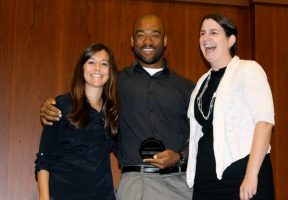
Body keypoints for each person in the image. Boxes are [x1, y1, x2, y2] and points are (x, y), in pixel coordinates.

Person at [39, 14, 194, 200]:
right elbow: (82, 96)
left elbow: (201, 136)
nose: (147, 41)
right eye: (140, 35)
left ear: (165, 40)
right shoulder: (115, 82)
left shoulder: (187, 88)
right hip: (134, 184)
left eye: (155, 34)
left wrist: (179, 156)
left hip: (177, 183)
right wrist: (50, 105)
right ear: (132, 41)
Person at [186, 13, 275, 200]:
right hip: (206, 182)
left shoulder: (249, 69)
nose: (205, 38)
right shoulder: (201, 82)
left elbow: (264, 123)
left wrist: (251, 175)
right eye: (202, 33)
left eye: (213, 32)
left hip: (240, 177)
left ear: (231, 40)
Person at [35, 43, 120, 200]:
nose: (97, 69)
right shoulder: (62, 105)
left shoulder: (113, 112)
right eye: (91, 62)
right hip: (63, 193)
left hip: (102, 195)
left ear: (111, 71)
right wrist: (44, 198)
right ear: (82, 68)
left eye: (104, 64)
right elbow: (44, 158)